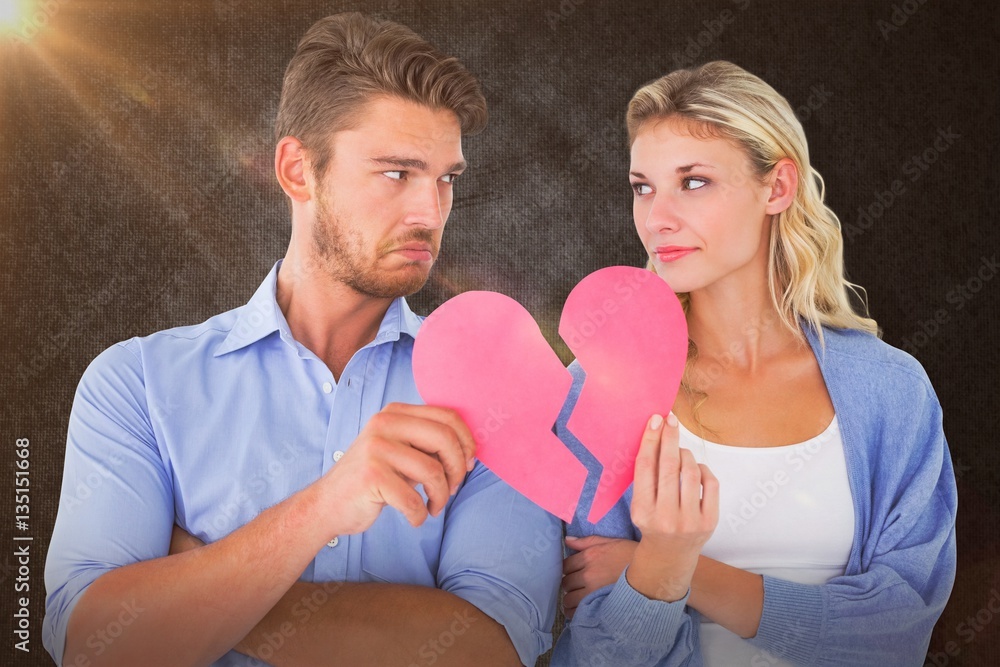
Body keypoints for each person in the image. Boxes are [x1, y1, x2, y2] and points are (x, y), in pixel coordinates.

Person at [42, 13, 561, 667]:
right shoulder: (138, 383)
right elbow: (92, 644)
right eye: (397, 173)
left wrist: (198, 584)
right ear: (296, 170)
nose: (430, 212)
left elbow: (490, 650)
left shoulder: (497, 389)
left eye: (446, 178)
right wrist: (325, 507)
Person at [552, 61, 957, 666]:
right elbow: (591, 655)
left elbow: (896, 631)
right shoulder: (597, 390)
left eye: (693, 181)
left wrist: (670, 566)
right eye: (643, 186)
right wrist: (662, 564)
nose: (656, 217)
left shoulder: (889, 389)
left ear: (778, 187)